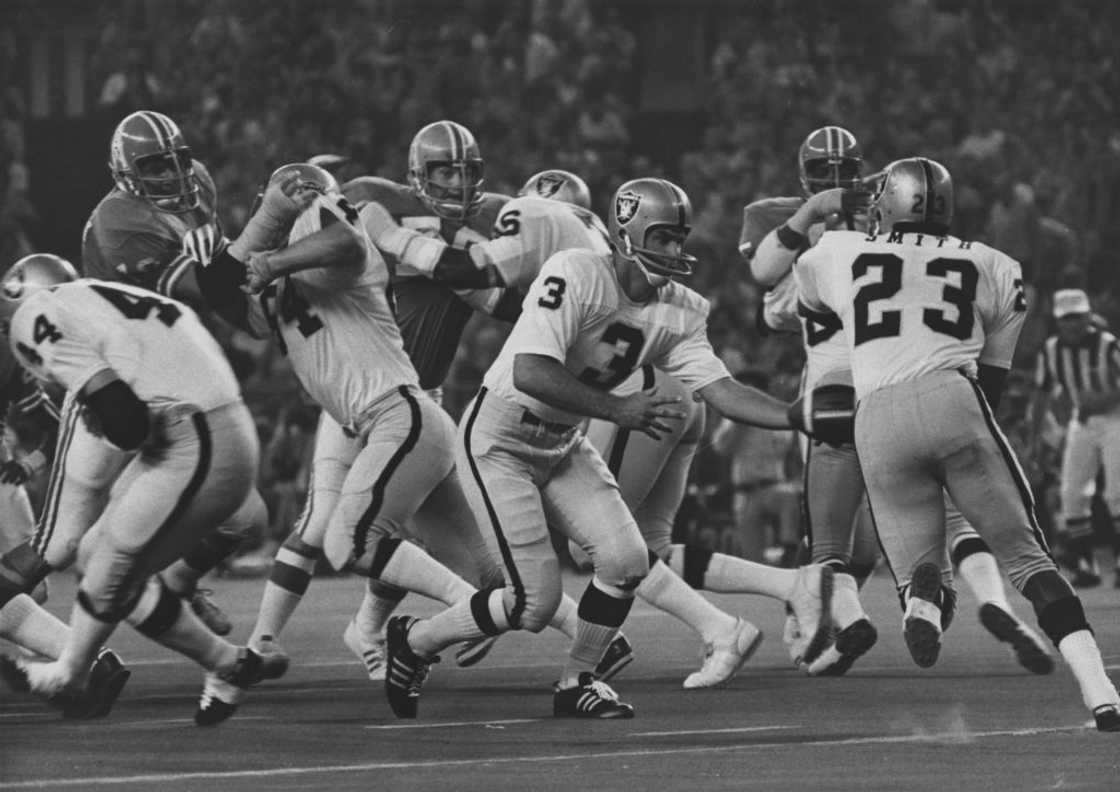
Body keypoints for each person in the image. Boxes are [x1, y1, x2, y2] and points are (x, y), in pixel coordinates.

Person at [384, 177, 835, 719]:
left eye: (678, 239)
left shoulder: (682, 309)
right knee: (534, 605)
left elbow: (722, 390)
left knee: (626, 559)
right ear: (627, 234)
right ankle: (414, 641)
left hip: (562, 440)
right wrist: (619, 410)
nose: (674, 250)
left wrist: (792, 416)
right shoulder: (575, 272)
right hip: (499, 437)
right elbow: (530, 371)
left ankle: (578, 681)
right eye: (663, 237)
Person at [795, 157, 1119, 731]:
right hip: (953, 395)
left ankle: (924, 600)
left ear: (886, 204)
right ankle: (1101, 693)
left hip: (874, 417)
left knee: (917, 568)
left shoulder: (839, 251)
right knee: (1028, 560)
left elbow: (811, 301)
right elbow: (992, 379)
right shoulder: (994, 263)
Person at [197, 162, 508, 720]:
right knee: (399, 554)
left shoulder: (328, 226)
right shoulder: (286, 282)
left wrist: (269, 258)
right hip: (389, 422)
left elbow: (342, 239)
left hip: (400, 414)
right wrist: (248, 251)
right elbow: (221, 295)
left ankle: (463, 612)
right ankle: (469, 613)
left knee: (351, 540)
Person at [747, 126, 1051, 677]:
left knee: (833, 536)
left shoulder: (825, 246)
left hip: (838, 389)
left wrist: (811, 221)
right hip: (913, 380)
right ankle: (965, 602)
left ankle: (841, 622)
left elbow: (770, 290)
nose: (838, 182)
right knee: (947, 517)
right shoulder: (882, 225)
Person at [0, 253, 266, 726]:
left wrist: (112, 433)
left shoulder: (32, 316)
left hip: (190, 434)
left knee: (99, 565)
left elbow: (124, 420)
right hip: (221, 426)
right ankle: (228, 664)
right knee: (102, 561)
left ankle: (68, 674)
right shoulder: (108, 299)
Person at [76, 109, 269, 635]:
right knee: (65, 544)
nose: (171, 174)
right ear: (126, 171)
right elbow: (204, 286)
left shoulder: (199, 183)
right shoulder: (120, 223)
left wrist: (247, 313)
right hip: (120, 387)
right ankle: (61, 641)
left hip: (176, 378)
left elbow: (220, 273)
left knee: (246, 520)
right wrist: (261, 243)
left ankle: (173, 586)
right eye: (155, 166)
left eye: (176, 162)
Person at [1029, 288, 1120, 587]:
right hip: (1081, 422)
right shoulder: (1051, 350)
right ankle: (1086, 565)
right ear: (1058, 320)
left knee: (1116, 495)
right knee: (1072, 494)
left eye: (1078, 317)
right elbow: (1041, 393)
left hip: (1115, 419)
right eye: (1067, 318)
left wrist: (1102, 400)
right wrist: (1034, 439)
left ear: (1087, 316)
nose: (1073, 324)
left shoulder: (1108, 345)